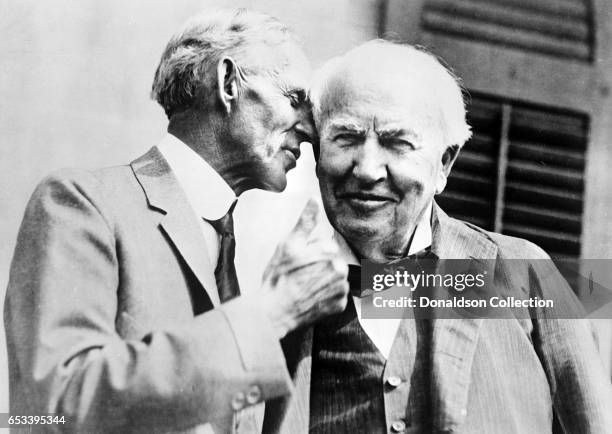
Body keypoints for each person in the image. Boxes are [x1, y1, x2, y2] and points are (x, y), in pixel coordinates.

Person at [4, 9, 349, 433]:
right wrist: (269, 316)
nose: (312, 132)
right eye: (295, 100)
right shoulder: (80, 204)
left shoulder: (241, 254)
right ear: (228, 84)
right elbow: (51, 408)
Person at [262, 40, 612, 433]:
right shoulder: (273, 297)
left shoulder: (526, 275)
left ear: (444, 163)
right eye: (346, 137)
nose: (367, 169)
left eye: (398, 143)